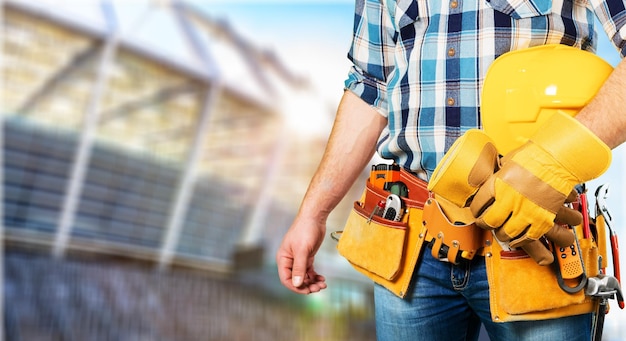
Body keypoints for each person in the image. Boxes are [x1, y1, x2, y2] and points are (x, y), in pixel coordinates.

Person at [276, 0, 626, 340]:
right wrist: (312, 214)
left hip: (535, 240)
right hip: (410, 244)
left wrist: (553, 163)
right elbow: (371, 86)